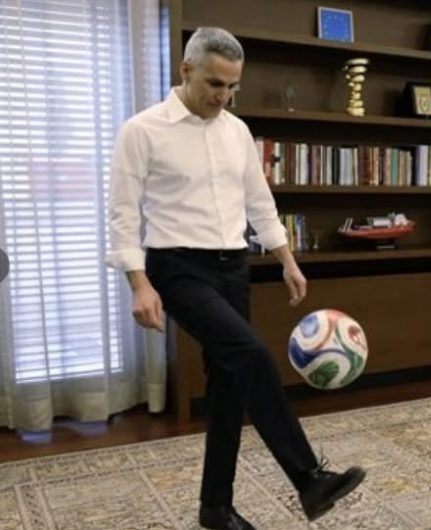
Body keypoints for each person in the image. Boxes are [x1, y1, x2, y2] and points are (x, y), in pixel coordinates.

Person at [106, 27, 365, 529]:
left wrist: (286, 259)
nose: (222, 96)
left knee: (229, 386)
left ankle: (215, 508)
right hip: (177, 269)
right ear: (186, 71)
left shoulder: (237, 131)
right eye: (214, 83)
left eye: (231, 86)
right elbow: (122, 214)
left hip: (233, 268)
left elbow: (258, 201)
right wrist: (139, 284)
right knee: (251, 354)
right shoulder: (142, 130)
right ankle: (308, 476)